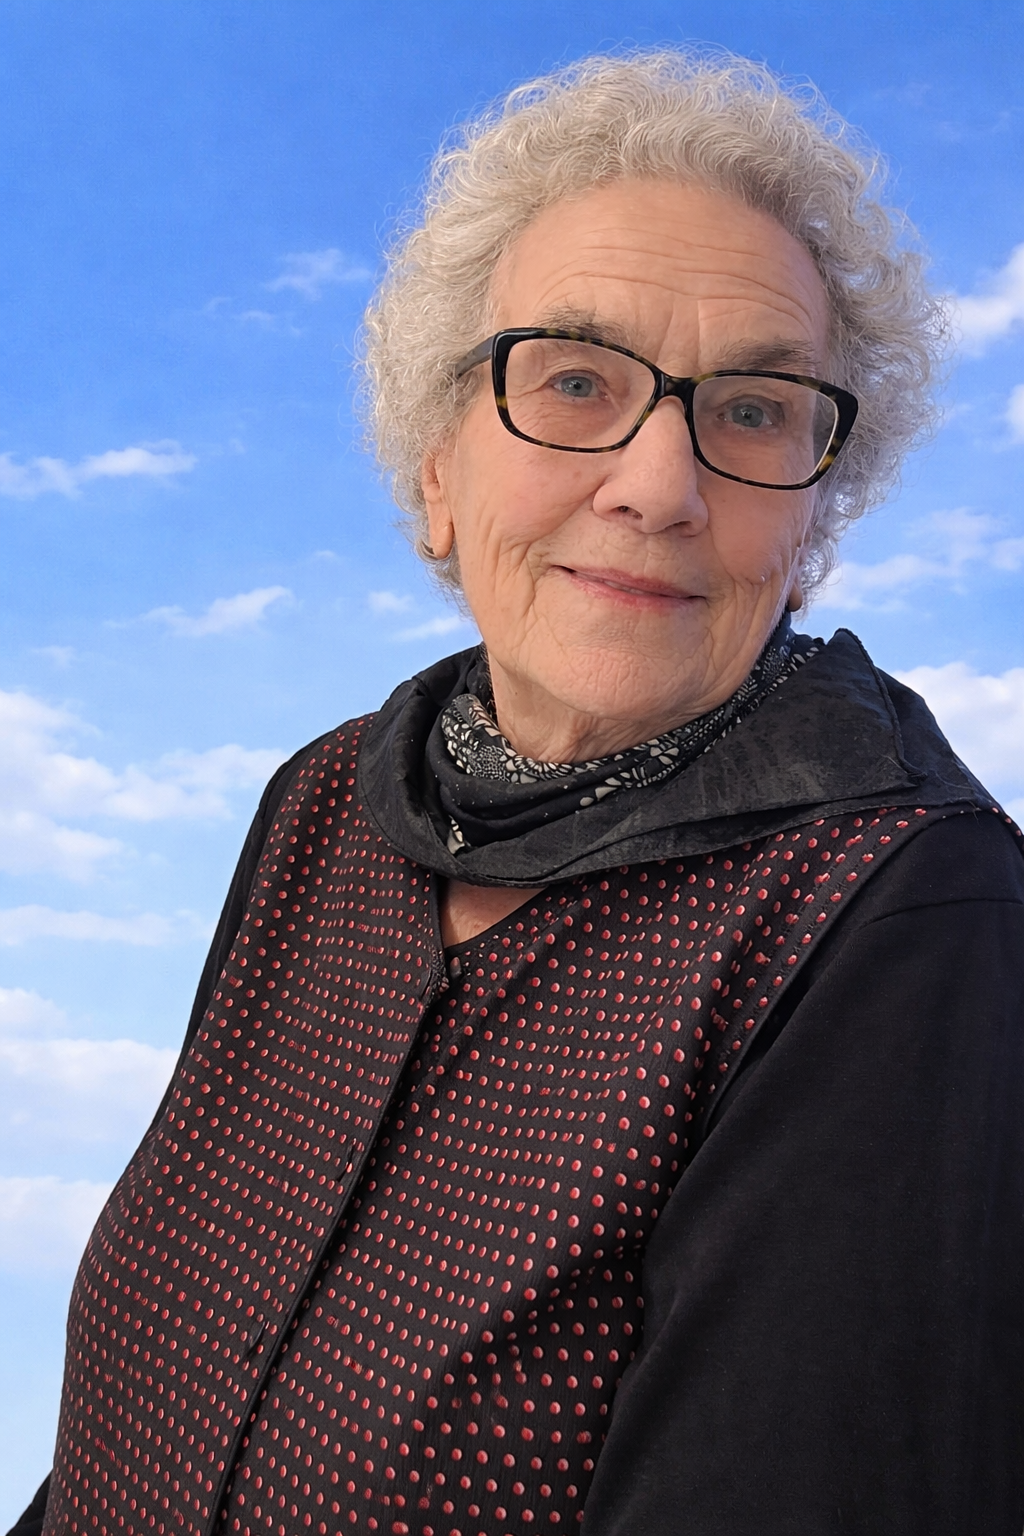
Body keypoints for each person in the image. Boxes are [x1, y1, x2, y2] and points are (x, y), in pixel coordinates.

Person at [13, 50, 1023, 1536]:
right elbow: (124, 1432)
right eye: (574, 381)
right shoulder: (326, 804)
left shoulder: (907, 913)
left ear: (811, 526)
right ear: (437, 469)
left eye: (753, 410)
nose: (658, 484)